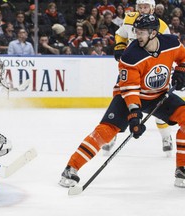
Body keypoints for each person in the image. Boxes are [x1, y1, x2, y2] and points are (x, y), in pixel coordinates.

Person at [59, 14, 185, 188]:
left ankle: (182, 169)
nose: (136, 36)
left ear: (154, 33)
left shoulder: (172, 43)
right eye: (136, 31)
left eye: (141, 32)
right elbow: (130, 88)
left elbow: (183, 58)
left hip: (159, 95)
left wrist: (181, 72)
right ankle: (71, 168)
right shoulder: (131, 55)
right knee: (105, 131)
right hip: (129, 96)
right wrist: (134, 115)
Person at [109, 0, 172, 155]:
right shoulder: (130, 19)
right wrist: (119, 46)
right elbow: (120, 34)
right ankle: (111, 137)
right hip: (131, 69)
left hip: (151, 72)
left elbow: (167, 51)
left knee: (159, 107)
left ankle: (166, 136)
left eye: (146, 7)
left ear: (152, 9)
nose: (143, 10)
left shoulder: (162, 27)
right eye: (140, 7)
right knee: (119, 104)